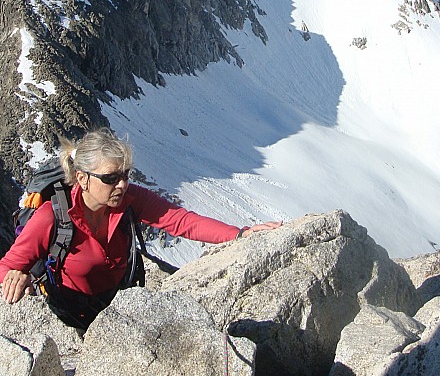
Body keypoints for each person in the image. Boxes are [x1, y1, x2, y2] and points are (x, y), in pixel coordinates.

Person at [0, 128, 281, 328]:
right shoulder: (52, 217)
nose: (122, 185)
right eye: (111, 178)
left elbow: (181, 221)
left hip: (120, 313)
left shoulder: (129, 200)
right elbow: (6, 266)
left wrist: (241, 235)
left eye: (125, 175)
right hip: (73, 320)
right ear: (82, 179)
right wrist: (16, 276)